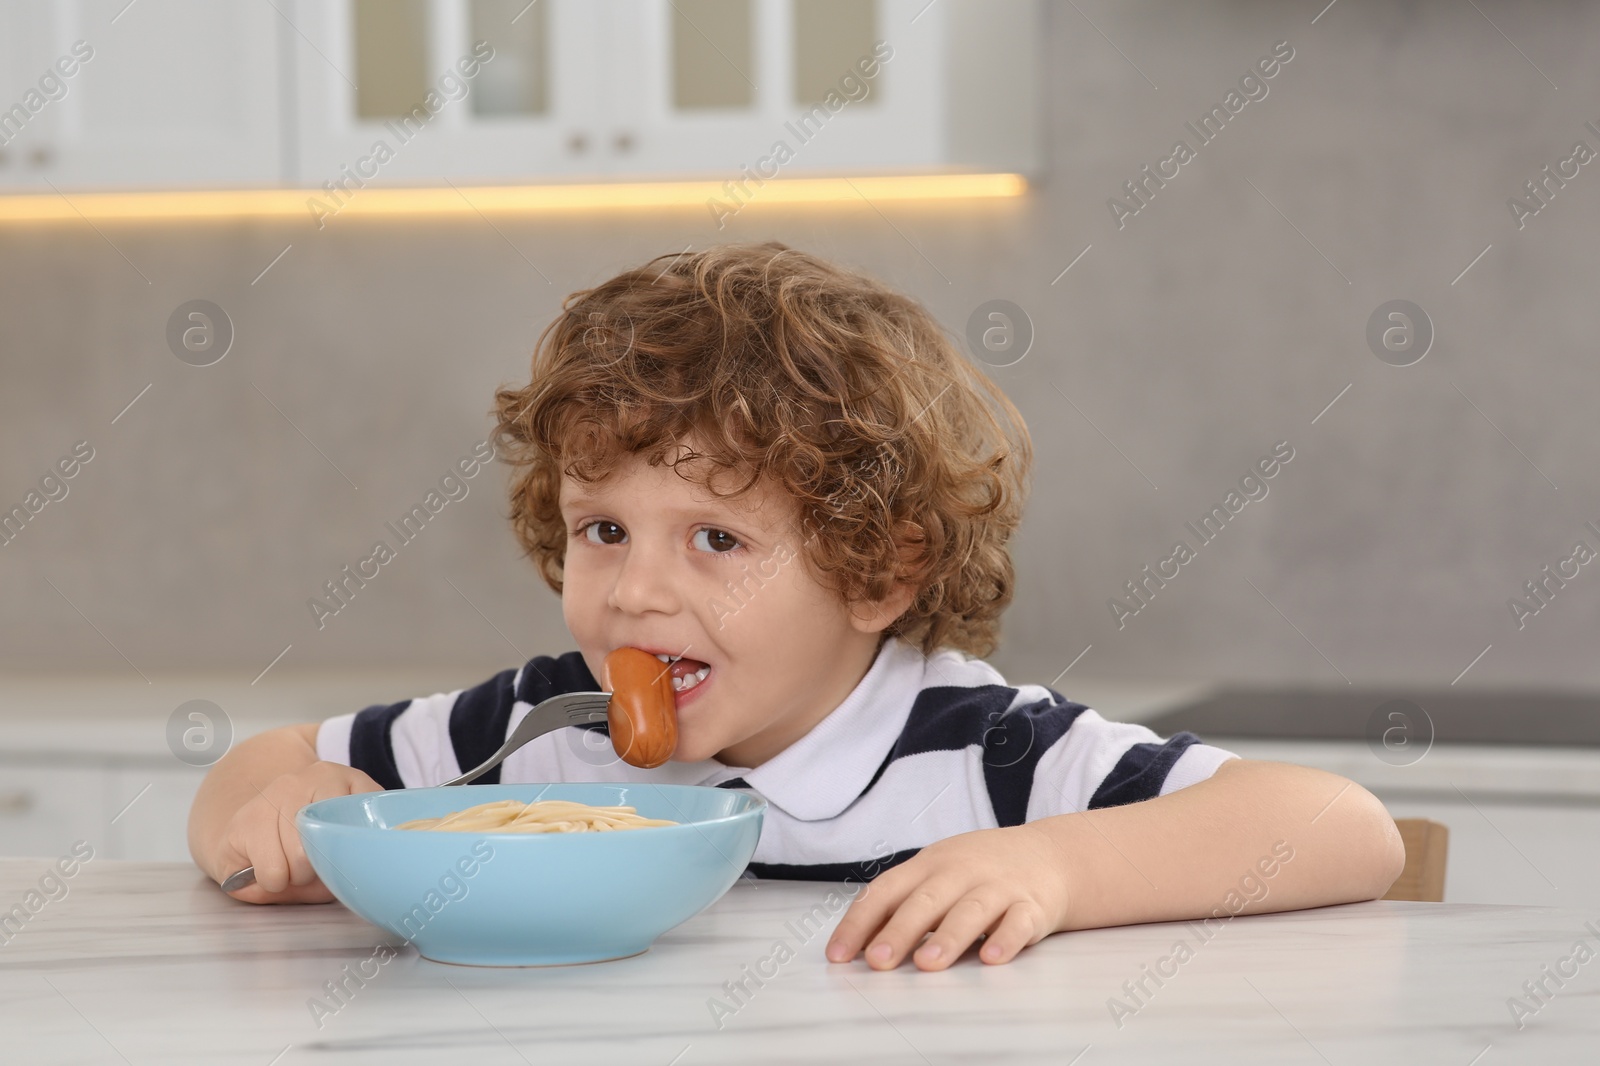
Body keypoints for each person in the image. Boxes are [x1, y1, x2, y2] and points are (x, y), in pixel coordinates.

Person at [188, 242, 1404, 971]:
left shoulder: (987, 754)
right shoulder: (547, 734)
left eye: (717, 539)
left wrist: (1054, 868)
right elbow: (268, 761)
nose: (637, 590)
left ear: (879, 570)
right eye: (602, 531)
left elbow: (1344, 827)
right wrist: (281, 807)